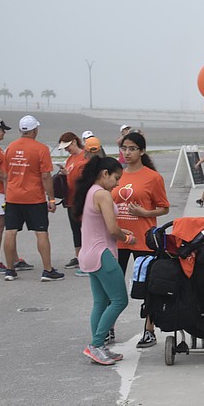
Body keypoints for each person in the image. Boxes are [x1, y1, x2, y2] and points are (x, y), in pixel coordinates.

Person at [73, 156, 134, 365]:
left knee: (100, 302)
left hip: (89, 253)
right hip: (102, 254)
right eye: (116, 178)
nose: (118, 183)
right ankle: (96, 345)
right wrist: (127, 237)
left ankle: (98, 346)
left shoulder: (89, 192)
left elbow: (101, 226)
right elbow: (111, 229)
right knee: (119, 300)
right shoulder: (103, 195)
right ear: (104, 174)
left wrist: (119, 231)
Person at [113, 132, 170, 347]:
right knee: (114, 286)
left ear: (142, 151)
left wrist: (144, 213)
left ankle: (149, 330)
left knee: (148, 286)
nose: (127, 153)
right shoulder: (116, 174)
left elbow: (163, 208)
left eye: (132, 149)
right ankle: (109, 328)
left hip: (143, 240)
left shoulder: (153, 177)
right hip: (118, 239)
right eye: (124, 148)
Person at [2, 115, 62, 282]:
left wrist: (8, 196)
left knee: (11, 232)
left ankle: (9, 270)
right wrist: (51, 199)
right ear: (35, 130)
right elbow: (45, 177)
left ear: (22, 130)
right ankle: (47, 270)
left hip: (13, 197)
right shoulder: (40, 149)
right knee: (41, 232)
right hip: (34, 198)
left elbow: (7, 175)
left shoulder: (11, 148)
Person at [57, 132, 91, 274]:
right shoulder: (71, 158)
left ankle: (88, 258)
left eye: (67, 146)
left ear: (74, 142)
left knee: (86, 230)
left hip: (82, 199)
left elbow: (85, 178)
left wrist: (68, 174)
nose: (66, 150)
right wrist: (64, 174)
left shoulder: (85, 156)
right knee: (75, 230)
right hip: (70, 200)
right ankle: (79, 257)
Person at [0, 118, 13, 274]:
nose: (4, 133)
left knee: (8, 225)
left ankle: (13, 258)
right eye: (2, 130)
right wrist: (10, 179)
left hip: (1, 191)